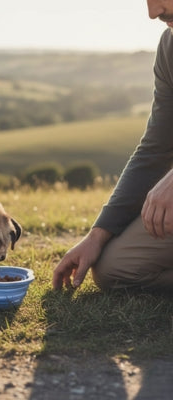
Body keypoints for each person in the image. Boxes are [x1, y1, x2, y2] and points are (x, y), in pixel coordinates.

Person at [53, 0, 173, 292]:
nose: (153, 12)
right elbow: (155, 148)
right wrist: (97, 235)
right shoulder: (170, 45)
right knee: (115, 269)